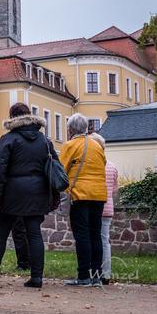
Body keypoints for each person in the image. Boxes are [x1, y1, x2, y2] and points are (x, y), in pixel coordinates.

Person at [0, 103, 59, 288]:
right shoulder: (44, 141)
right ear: (29, 116)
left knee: (0, 234)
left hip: (12, 193)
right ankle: (37, 277)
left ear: (12, 118)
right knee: (35, 234)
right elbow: (54, 167)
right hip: (37, 191)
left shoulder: (8, 139)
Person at [60, 113, 107, 287]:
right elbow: (103, 164)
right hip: (99, 195)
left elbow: (61, 169)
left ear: (71, 129)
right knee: (96, 235)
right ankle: (97, 276)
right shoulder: (97, 145)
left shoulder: (70, 145)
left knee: (82, 236)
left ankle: (83, 276)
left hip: (80, 195)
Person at [89, 132, 118, 285]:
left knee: (90, 240)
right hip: (107, 208)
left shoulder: (91, 166)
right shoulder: (112, 167)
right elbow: (114, 190)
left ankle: (91, 272)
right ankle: (106, 274)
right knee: (104, 241)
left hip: (92, 207)